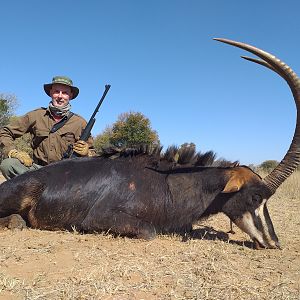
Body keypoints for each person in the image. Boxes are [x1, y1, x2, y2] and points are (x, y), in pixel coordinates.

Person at [0, 76, 93, 179]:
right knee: (8, 164)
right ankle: (35, 192)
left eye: (65, 93)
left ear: (70, 96)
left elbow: (94, 153)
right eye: (57, 91)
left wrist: (87, 153)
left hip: (67, 174)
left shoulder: (80, 122)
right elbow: (5, 132)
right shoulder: (35, 115)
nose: (60, 96)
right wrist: (13, 152)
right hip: (38, 171)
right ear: (50, 93)